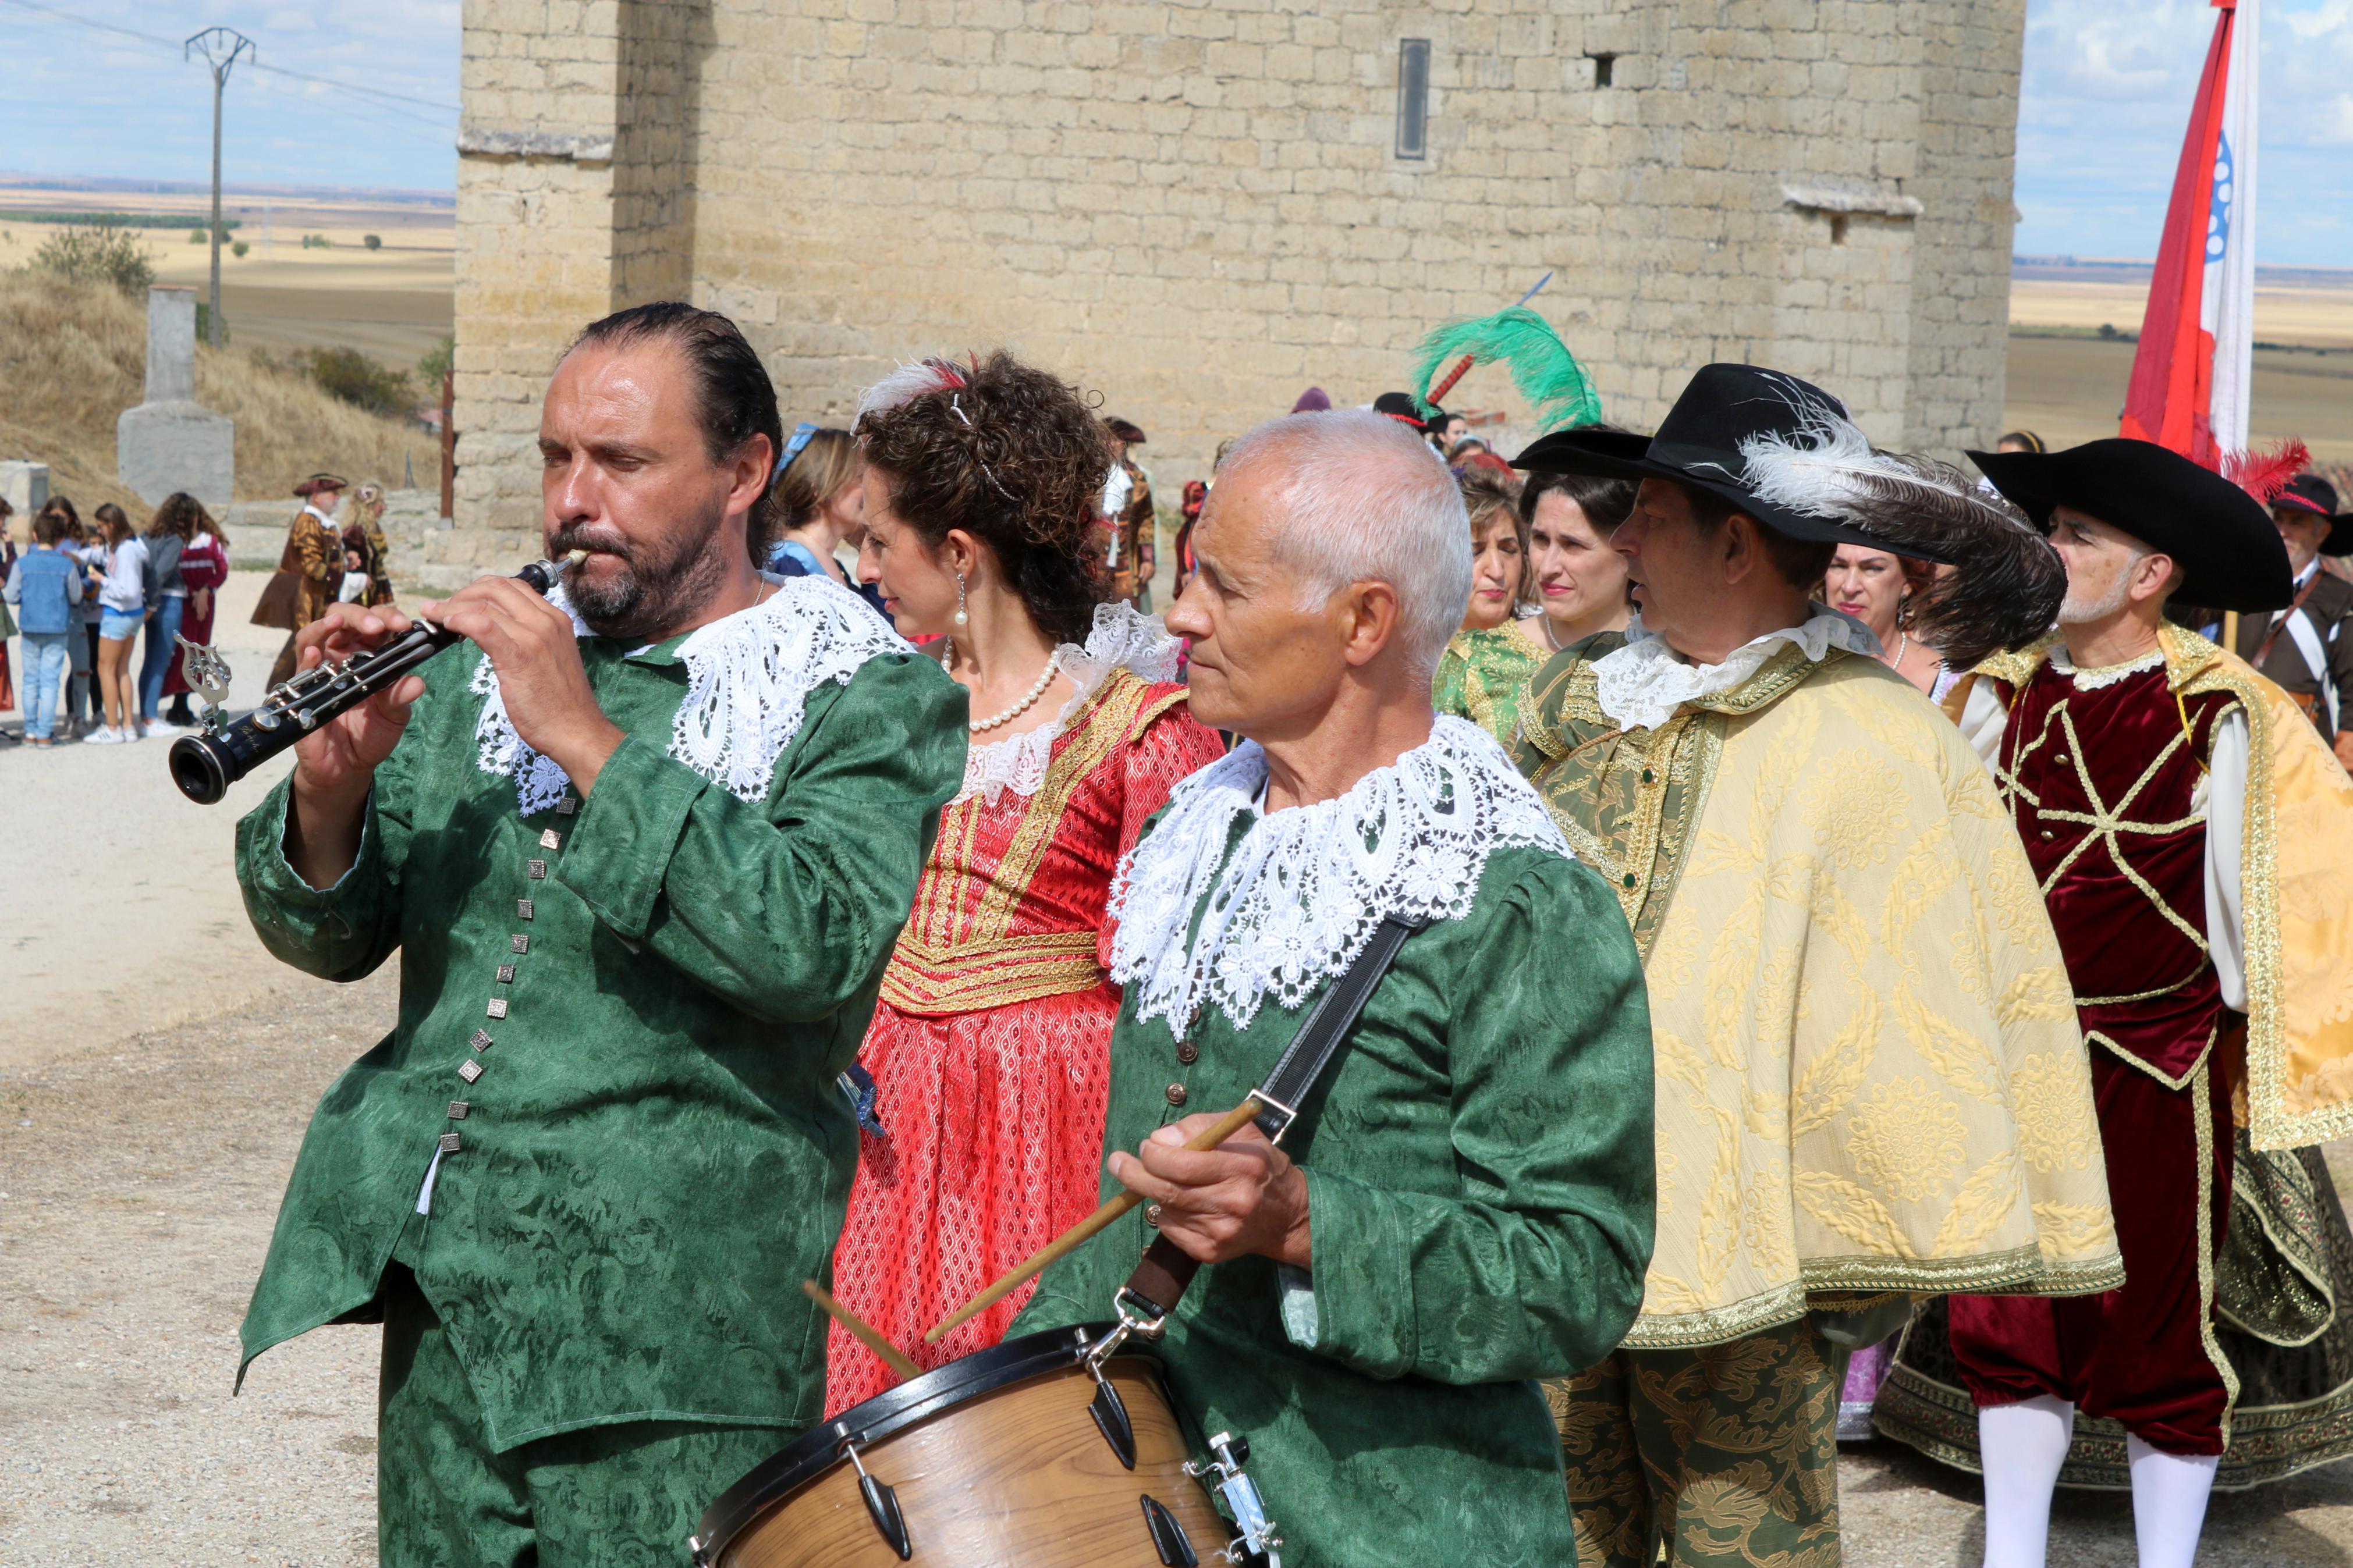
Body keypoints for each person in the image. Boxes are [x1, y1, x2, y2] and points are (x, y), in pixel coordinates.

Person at [230, 301, 967, 1566]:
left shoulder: (863, 692)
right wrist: (330, 787)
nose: (575, 500)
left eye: (621, 464)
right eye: (556, 457)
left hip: (681, 1333)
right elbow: (328, 937)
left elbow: (818, 946)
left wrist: (585, 740)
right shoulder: (472, 671)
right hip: (449, 1314)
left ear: (743, 472)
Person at [1012, 408, 1657, 1567]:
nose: (1181, 615)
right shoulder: (1193, 829)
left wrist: (1311, 1227)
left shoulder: (1508, 896)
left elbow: (1578, 1273)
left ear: (1363, 620)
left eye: (1223, 586)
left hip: (1397, 1527)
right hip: (1152, 1508)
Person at [1510, 365, 2121, 1568]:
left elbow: (1917, 1013)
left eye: (1651, 513)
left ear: (1734, 542)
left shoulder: (1872, 741)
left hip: (1749, 1268)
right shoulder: (1568, 703)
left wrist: (1844, 1286)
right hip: (1538, 1230)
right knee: (1542, 1539)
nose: (1621, 535)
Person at [1875, 439, 2353, 1568]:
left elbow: (2278, 897)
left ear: (2148, 575)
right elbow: (1939, 879)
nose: (2050, 552)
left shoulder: (2221, 713)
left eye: (2077, 537)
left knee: (2152, 1331)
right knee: (2010, 1323)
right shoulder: (1996, 694)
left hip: (2156, 1065)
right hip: (2014, 1064)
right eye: (2051, 530)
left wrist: (2239, 1048)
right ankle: (2011, 1554)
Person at [823, 354, 1227, 1413]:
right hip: (882, 1118)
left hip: (1046, 1122)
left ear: (958, 554)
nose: (861, 562)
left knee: (1017, 1428)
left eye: (877, 538)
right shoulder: (877, 707)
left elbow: (1177, 995)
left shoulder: (1140, 731)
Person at [2191, 471, 2353, 769]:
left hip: (2302, 749)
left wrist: (2346, 762)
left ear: (2323, 532)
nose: (2283, 530)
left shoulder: (2341, 599)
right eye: (2278, 519)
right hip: (2231, 736)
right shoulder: (2239, 585)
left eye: (2297, 522)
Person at [1431, 464, 1544, 742]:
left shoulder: (1549, 656)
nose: (1496, 570)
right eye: (1475, 551)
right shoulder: (1407, 663)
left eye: (1508, 550)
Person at [1522, 460, 1637, 655]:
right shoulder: (1479, 663)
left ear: (1630, 551)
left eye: (1573, 545)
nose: (1547, 568)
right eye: (1541, 540)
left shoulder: (1676, 666)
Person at [2, 507, 86, 748]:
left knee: (30, 680)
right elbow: (76, 596)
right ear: (60, 539)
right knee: (50, 681)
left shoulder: (23, 563)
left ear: (35, 535)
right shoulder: (66, 565)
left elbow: (9, 595)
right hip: (58, 628)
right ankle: (44, 734)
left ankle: (30, 732)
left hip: (30, 627)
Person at [1823, 543, 1948, 696]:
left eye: (1873, 568)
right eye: (1838, 566)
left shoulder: (1949, 686)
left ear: (1907, 581)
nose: (1850, 587)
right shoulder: (1793, 660)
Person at [262, 474, 348, 687]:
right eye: (333, 493)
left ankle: (299, 687)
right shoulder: (308, 521)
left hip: (320, 592)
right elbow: (311, 565)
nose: (338, 497)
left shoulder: (323, 522)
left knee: (314, 639)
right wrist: (337, 575)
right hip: (306, 593)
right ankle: (288, 688)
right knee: (305, 640)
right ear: (317, 497)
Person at [137, 492, 199, 736]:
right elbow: (160, 572)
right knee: (160, 661)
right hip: (167, 601)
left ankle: (146, 714)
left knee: (150, 660)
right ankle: (150, 719)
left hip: (150, 600)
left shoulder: (146, 536)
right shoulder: (174, 540)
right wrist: (152, 604)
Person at [164, 507, 230, 728]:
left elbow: (221, 570)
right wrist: (193, 593)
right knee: (181, 651)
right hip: (184, 601)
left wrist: (205, 591)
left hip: (204, 604)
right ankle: (177, 702)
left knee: (199, 651)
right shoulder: (176, 543)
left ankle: (183, 702)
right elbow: (172, 572)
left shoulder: (211, 541)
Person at [88, 502, 148, 744]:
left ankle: (113, 727)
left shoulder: (124, 551)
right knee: (122, 669)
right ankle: (127, 727)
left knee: (105, 669)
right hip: (133, 615)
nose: (100, 531)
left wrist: (102, 580)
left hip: (118, 614)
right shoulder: (134, 545)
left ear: (112, 524)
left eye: (102, 526)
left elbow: (128, 590)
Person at [1101, 416, 1158, 610]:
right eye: (1107, 439)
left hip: (1127, 558)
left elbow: (1145, 520)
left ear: (1123, 444)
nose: (1111, 444)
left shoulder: (1136, 477)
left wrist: (1148, 558)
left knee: (1128, 611)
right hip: (1094, 561)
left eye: (1116, 440)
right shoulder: (1089, 475)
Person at [342, 479, 395, 606]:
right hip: (363, 592)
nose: (384, 507)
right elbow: (351, 567)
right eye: (380, 502)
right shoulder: (354, 532)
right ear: (369, 506)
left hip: (380, 586)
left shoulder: (374, 527)